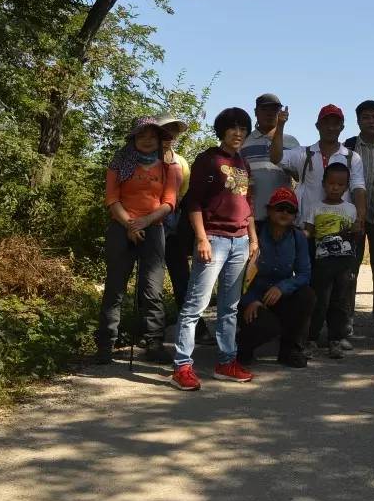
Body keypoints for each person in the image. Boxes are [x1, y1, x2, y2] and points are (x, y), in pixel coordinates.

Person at [170, 107, 258, 391]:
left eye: (243, 129)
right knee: (196, 304)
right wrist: (201, 239)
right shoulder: (208, 160)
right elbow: (193, 202)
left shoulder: (244, 163)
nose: (238, 133)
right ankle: (182, 366)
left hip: (240, 240)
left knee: (229, 307)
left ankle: (226, 362)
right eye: (233, 128)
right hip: (214, 239)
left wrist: (253, 239)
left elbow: (248, 205)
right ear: (222, 131)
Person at [271, 103, 365, 350]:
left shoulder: (351, 157)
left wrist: (360, 219)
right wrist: (280, 125)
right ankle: (308, 335)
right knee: (312, 287)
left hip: (341, 234)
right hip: (308, 229)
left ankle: (337, 335)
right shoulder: (304, 153)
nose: (331, 127)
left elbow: (358, 187)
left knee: (341, 289)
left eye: (336, 123)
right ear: (318, 126)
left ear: (342, 127)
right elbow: (276, 157)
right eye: (326, 122)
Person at [95, 116, 181, 365]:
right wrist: (130, 224)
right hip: (121, 228)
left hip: (153, 229)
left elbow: (169, 203)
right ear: (133, 139)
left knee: (152, 289)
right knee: (114, 288)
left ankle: (154, 343)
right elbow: (112, 199)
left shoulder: (169, 167)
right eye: (141, 136)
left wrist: (145, 222)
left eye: (152, 136)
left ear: (159, 140)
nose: (146, 141)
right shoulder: (119, 163)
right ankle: (105, 345)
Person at [238, 187, 317, 368]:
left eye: (290, 210)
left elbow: (304, 273)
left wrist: (283, 287)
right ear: (269, 210)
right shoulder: (254, 234)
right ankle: (242, 347)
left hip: (279, 296)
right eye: (279, 208)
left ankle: (290, 350)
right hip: (251, 297)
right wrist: (250, 300)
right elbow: (237, 274)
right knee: (268, 326)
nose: (284, 213)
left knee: (307, 296)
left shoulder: (298, 237)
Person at [156, 113, 211, 345]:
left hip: (174, 226)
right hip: (147, 224)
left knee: (181, 279)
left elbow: (185, 196)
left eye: (173, 133)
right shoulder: (143, 160)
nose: (169, 137)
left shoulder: (182, 163)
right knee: (151, 280)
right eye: (165, 133)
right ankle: (149, 333)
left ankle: (197, 329)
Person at [346, 100, 374, 340]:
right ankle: (347, 320)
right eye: (366, 117)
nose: (371, 121)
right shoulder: (350, 147)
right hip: (355, 219)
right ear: (358, 121)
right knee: (350, 270)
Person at [307, 163, 359, 359]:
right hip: (321, 264)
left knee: (339, 303)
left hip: (343, 265)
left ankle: (334, 340)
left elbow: (355, 238)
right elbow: (308, 232)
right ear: (323, 184)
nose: (335, 187)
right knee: (319, 302)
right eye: (331, 183)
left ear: (346, 187)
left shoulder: (351, 209)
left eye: (340, 184)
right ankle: (312, 339)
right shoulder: (316, 207)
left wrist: (353, 265)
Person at [240, 92, 300, 224]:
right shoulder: (244, 142)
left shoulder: (291, 142)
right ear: (256, 112)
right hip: (251, 217)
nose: (270, 113)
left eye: (274, 109)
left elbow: (299, 177)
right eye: (264, 109)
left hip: (282, 216)